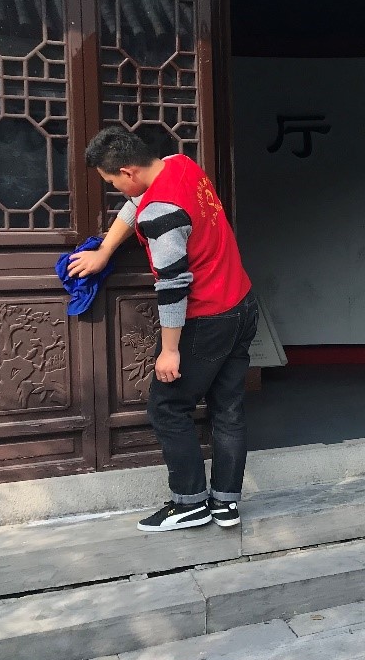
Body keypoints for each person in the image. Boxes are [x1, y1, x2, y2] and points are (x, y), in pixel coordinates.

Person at [68, 129, 257, 532]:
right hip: (241, 304)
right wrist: (105, 250)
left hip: (207, 318)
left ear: (128, 171)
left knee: (168, 407)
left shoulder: (160, 213)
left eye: (113, 182)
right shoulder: (179, 164)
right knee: (228, 407)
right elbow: (135, 205)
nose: (117, 191)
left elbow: (173, 284)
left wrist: (170, 350)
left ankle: (190, 504)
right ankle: (225, 502)